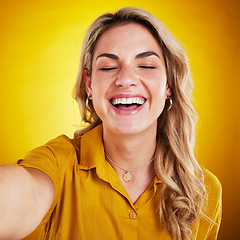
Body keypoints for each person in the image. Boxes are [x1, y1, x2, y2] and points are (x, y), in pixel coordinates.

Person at [0, 7, 222, 240]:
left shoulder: (205, 190)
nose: (125, 79)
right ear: (89, 85)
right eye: (108, 67)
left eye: (146, 66)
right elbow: (24, 195)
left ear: (169, 84)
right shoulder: (59, 165)